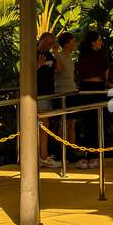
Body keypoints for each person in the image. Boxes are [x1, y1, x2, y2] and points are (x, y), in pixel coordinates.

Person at [74, 31, 110, 168]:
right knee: (95, 122)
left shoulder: (83, 55)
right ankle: (93, 154)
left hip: (87, 88)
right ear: (93, 42)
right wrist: (105, 81)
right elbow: (106, 72)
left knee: (89, 122)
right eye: (99, 40)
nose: (101, 42)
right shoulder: (99, 55)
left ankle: (90, 154)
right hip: (95, 88)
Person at [36, 31, 60, 168]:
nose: (48, 46)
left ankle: (43, 156)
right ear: (40, 40)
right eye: (46, 42)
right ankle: (42, 157)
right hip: (38, 94)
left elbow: (59, 69)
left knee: (45, 126)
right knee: (43, 126)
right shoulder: (32, 52)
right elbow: (25, 72)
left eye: (51, 44)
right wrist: (38, 65)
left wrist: (56, 52)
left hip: (48, 93)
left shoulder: (50, 55)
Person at [53, 31, 78, 154]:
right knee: (63, 123)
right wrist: (56, 53)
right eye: (73, 42)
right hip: (62, 93)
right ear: (67, 44)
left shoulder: (70, 57)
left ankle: (72, 151)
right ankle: (61, 151)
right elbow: (59, 69)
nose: (75, 44)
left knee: (72, 123)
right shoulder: (60, 56)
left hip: (72, 91)